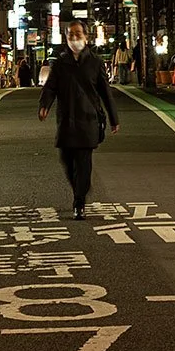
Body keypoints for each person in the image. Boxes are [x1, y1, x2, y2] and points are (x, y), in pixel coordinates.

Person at [39, 22, 119, 218]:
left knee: (83, 162)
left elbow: (105, 93)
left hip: (88, 120)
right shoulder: (60, 63)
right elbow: (50, 87)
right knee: (67, 161)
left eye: (78, 34)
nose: (75, 38)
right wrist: (45, 105)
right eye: (70, 35)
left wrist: (113, 118)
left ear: (86, 36)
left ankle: (79, 202)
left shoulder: (95, 62)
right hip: (66, 119)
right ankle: (80, 188)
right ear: (66, 38)